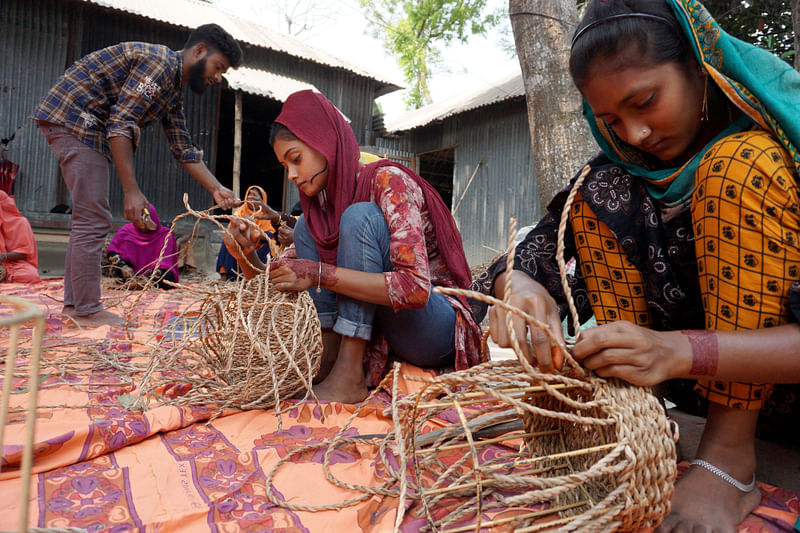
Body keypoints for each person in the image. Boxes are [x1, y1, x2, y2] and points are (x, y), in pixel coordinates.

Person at [471, 1, 800, 531]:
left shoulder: (777, 149)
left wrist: (677, 351)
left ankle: (729, 455)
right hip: (679, 394)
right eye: (611, 120)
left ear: (699, 65)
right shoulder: (620, 174)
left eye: (645, 102)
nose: (636, 134)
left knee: (738, 166)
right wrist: (521, 287)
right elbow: (532, 250)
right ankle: (639, 418)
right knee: (599, 189)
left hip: (786, 406)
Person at [225, 90, 484, 403]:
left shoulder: (388, 182)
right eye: (285, 165)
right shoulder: (319, 211)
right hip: (385, 334)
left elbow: (414, 288)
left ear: (325, 143)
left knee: (360, 218)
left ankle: (349, 372)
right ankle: (329, 359)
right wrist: (246, 255)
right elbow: (284, 282)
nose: (292, 174)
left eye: (296, 159)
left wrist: (320, 273)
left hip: (434, 326)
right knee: (306, 227)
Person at [33, 23, 243, 327]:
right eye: (218, 66)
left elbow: (182, 147)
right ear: (199, 51)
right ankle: (87, 310)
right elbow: (121, 123)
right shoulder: (159, 64)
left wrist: (216, 189)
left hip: (81, 125)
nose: (217, 77)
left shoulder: (172, 88)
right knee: (92, 218)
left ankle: (75, 306)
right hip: (76, 120)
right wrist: (131, 190)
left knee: (87, 218)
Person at [106, 203, 179, 289]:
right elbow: (112, 251)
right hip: (130, 275)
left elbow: (165, 261)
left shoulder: (165, 234)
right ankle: (134, 284)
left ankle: (143, 284)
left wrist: (148, 277)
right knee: (116, 269)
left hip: (154, 274)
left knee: (167, 275)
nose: (142, 226)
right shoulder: (126, 231)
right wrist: (123, 267)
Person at [216, 185, 279, 281]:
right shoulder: (240, 212)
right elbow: (232, 228)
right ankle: (225, 276)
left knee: (271, 242)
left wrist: (255, 234)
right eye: (249, 196)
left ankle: (260, 277)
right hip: (242, 243)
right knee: (229, 240)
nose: (251, 199)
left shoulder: (267, 215)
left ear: (262, 200)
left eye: (255, 197)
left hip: (258, 247)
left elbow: (272, 234)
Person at [0, 191, 40, 284]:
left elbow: (24, 254)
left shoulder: (21, 223)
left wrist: (3, 256)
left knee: (30, 275)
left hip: (16, 265)